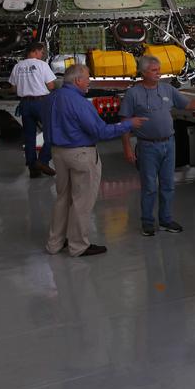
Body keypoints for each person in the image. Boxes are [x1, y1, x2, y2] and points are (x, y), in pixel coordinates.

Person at [48, 63, 146, 257]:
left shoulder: (53, 98)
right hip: (80, 155)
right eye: (87, 78)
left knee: (62, 198)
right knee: (82, 201)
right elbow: (100, 131)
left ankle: (55, 243)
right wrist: (128, 124)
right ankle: (78, 246)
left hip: (58, 153)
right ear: (77, 80)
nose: (89, 82)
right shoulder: (80, 103)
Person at [120, 55, 195, 236]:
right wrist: (127, 147)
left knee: (168, 185)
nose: (158, 73)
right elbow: (125, 122)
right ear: (143, 72)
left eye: (159, 70)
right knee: (149, 187)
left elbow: (188, 104)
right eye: (154, 70)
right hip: (147, 147)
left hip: (168, 144)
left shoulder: (167, 89)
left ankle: (166, 220)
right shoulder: (133, 94)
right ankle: (147, 222)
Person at [8, 41, 58, 178]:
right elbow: (51, 86)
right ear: (35, 51)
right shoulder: (42, 65)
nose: (42, 55)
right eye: (42, 52)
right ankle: (42, 161)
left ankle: (33, 168)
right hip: (41, 103)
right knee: (53, 131)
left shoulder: (18, 66)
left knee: (29, 136)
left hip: (25, 103)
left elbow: (13, 88)